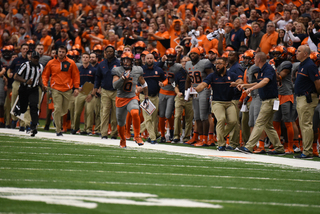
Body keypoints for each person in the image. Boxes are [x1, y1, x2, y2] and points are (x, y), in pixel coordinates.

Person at [236, 52, 285, 155]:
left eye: (254, 58)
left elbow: (265, 81)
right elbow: (259, 82)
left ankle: (249, 147)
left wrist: (252, 88)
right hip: (267, 100)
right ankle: (279, 148)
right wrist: (245, 85)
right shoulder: (262, 69)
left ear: (258, 59)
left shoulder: (268, 69)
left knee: (259, 123)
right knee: (268, 126)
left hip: (270, 100)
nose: (253, 60)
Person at [195, 57, 243, 150]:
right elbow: (204, 83)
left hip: (229, 102)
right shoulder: (212, 76)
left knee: (233, 121)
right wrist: (199, 88)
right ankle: (221, 144)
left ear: (225, 64)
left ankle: (220, 136)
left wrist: (237, 83)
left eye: (220, 63)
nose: (217, 65)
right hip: (217, 102)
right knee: (221, 119)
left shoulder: (231, 75)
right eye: (216, 63)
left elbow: (240, 80)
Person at [42, 45, 80, 136]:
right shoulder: (51, 63)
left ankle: (55, 116)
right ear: (57, 52)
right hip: (55, 88)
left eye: (63, 52)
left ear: (66, 53)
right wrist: (44, 84)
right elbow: (45, 75)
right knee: (58, 108)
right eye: (60, 51)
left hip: (67, 89)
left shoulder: (71, 63)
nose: (61, 53)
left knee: (65, 110)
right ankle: (58, 130)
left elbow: (76, 76)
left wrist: (76, 88)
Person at [112, 52, 148, 148]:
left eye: (128, 60)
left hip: (132, 97)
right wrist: (122, 79)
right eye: (124, 60)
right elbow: (114, 85)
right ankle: (123, 140)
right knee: (120, 123)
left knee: (135, 112)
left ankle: (137, 136)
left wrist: (146, 96)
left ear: (132, 61)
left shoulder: (137, 70)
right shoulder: (117, 70)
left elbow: (143, 83)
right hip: (120, 98)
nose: (126, 62)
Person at [294, 45, 320, 159]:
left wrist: (318, 94)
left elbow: (318, 83)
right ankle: (306, 149)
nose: (296, 52)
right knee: (303, 124)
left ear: (305, 54)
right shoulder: (302, 64)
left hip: (307, 98)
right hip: (301, 98)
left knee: (306, 125)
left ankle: (307, 151)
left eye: (299, 51)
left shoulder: (310, 65)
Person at [185, 47, 213, 146]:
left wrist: (209, 88)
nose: (192, 55)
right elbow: (188, 79)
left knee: (204, 116)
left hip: (204, 90)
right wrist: (186, 92)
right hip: (194, 91)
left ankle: (205, 139)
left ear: (199, 55)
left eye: (195, 53)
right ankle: (200, 138)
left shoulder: (205, 63)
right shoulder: (188, 64)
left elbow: (211, 76)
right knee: (196, 117)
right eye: (191, 53)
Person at [90, 45, 120, 139]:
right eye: (107, 52)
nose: (109, 53)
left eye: (111, 51)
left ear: (114, 53)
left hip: (116, 91)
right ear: (105, 53)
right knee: (104, 112)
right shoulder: (101, 64)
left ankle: (114, 133)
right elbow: (97, 78)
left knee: (115, 113)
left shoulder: (119, 63)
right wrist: (95, 89)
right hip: (105, 91)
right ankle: (104, 133)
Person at [14, 51, 44, 137]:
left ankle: (33, 126)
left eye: (37, 58)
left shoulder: (41, 66)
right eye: (34, 58)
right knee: (23, 109)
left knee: (34, 106)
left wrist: (42, 85)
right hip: (24, 88)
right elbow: (16, 76)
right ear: (31, 58)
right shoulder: (25, 65)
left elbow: (40, 76)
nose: (36, 59)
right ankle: (18, 106)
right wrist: (25, 81)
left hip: (34, 89)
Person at [158, 48, 184, 143]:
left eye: (172, 57)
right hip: (162, 92)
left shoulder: (178, 66)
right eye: (168, 56)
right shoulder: (162, 64)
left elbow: (183, 77)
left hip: (172, 92)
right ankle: (162, 135)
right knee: (161, 115)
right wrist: (161, 61)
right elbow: (156, 67)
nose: (170, 58)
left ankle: (172, 131)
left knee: (168, 114)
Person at [139, 54, 166, 144]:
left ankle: (135, 131)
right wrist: (137, 88)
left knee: (154, 118)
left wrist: (163, 84)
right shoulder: (141, 70)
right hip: (145, 96)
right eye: (148, 58)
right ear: (145, 60)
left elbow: (165, 79)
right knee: (148, 118)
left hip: (155, 96)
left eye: (151, 58)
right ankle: (153, 138)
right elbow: (136, 82)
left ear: (154, 59)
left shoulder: (158, 70)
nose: (149, 60)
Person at [7, 43, 30, 131]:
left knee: (24, 102)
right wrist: (9, 74)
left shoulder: (29, 61)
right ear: (21, 50)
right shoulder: (16, 60)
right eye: (24, 49)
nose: (25, 50)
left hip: (25, 82)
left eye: (26, 49)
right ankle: (14, 119)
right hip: (17, 82)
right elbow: (10, 68)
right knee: (14, 101)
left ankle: (22, 123)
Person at [72, 52, 96, 135]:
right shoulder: (78, 69)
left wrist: (93, 93)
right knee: (77, 111)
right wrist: (77, 87)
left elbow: (96, 82)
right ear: (81, 59)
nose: (85, 59)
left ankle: (88, 129)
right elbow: (74, 80)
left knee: (89, 111)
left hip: (90, 91)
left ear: (89, 59)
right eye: (84, 57)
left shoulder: (93, 70)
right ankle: (75, 128)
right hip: (80, 92)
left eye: (87, 57)